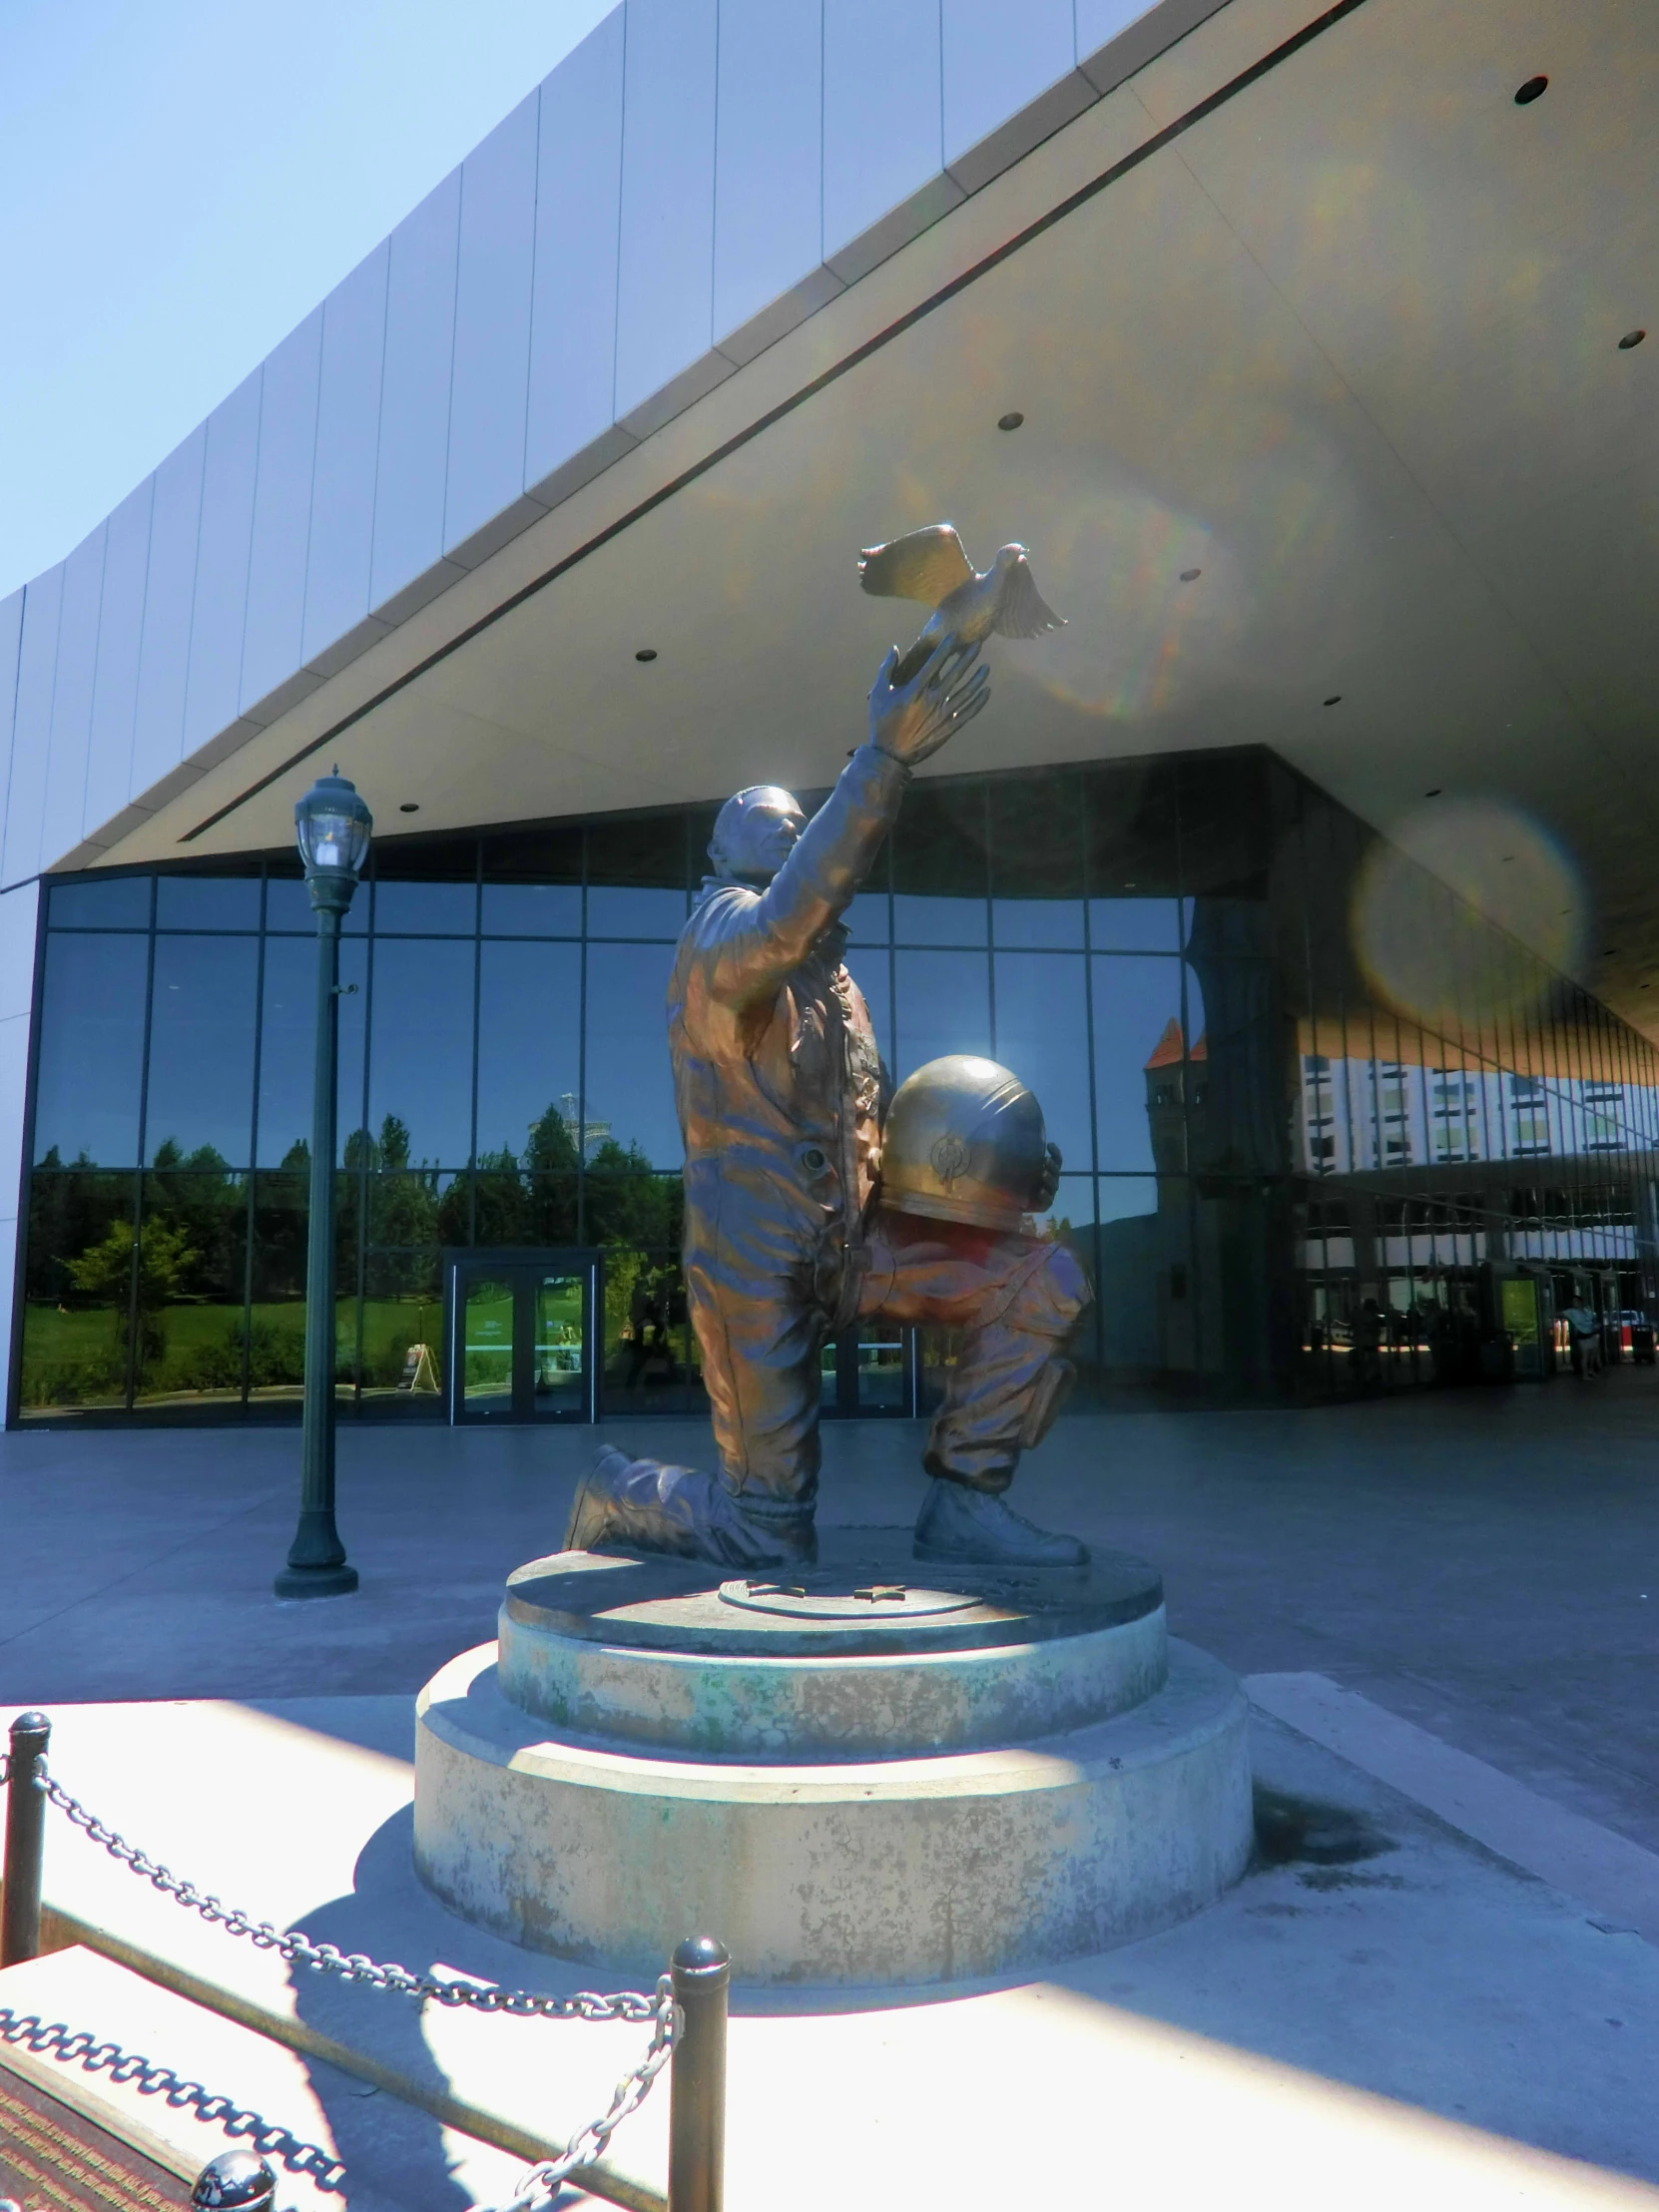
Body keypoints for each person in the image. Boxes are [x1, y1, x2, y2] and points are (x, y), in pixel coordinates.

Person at [565, 634, 1091, 1569]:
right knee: (767, 1531)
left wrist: (1000, 1184)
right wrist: (882, 759)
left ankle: (965, 1501)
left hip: (852, 1245)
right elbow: (787, 914)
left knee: (1037, 1277)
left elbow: (872, 1140)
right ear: (723, 851)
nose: (789, 829)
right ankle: (617, 1488)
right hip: (754, 1254)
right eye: (768, 821)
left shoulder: (834, 979)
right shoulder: (720, 939)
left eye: (798, 820)